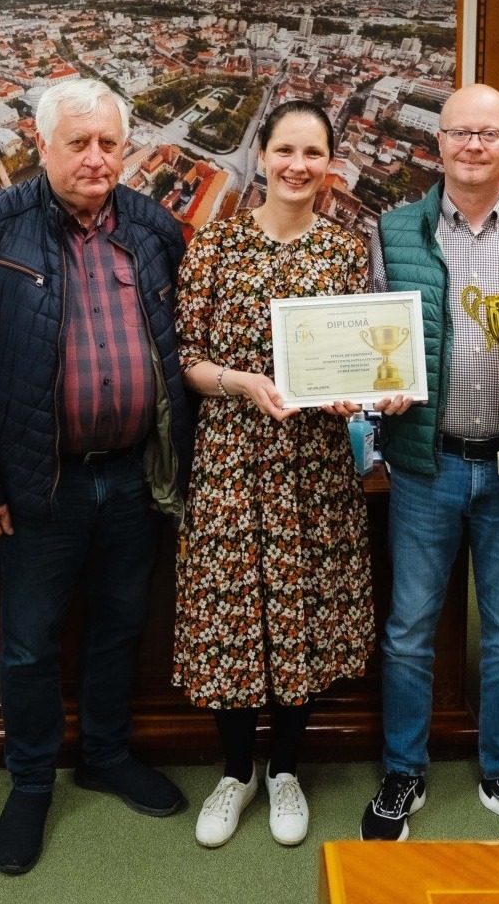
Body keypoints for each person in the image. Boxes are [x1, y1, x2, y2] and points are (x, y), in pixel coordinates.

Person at [0, 77, 192, 876]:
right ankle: (32, 781)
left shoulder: (152, 227)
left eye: (109, 142)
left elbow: (184, 343)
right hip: (38, 483)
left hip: (133, 478)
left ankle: (106, 754)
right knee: (29, 643)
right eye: (78, 142)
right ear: (40, 145)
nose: (96, 158)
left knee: (120, 625)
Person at [359, 83, 499, 844]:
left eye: (489, 134)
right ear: (439, 142)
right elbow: (374, 328)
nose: (473, 145)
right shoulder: (392, 229)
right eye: (460, 132)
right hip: (425, 465)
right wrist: (381, 386)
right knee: (408, 629)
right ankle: (403, 771)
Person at [173, 101, 375, 850]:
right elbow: (189, 360)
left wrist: (354, 392)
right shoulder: (215, 244)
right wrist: (241, 382)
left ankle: (285, 767)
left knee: (304, 611)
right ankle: (237, 772)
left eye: (312, 152)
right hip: (230, 457)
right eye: (285, 149)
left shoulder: (345, 251)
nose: (298, 165)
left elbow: (357, 356)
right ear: (261, 154)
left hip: (314, 463)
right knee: (229, 612)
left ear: (329, 164)